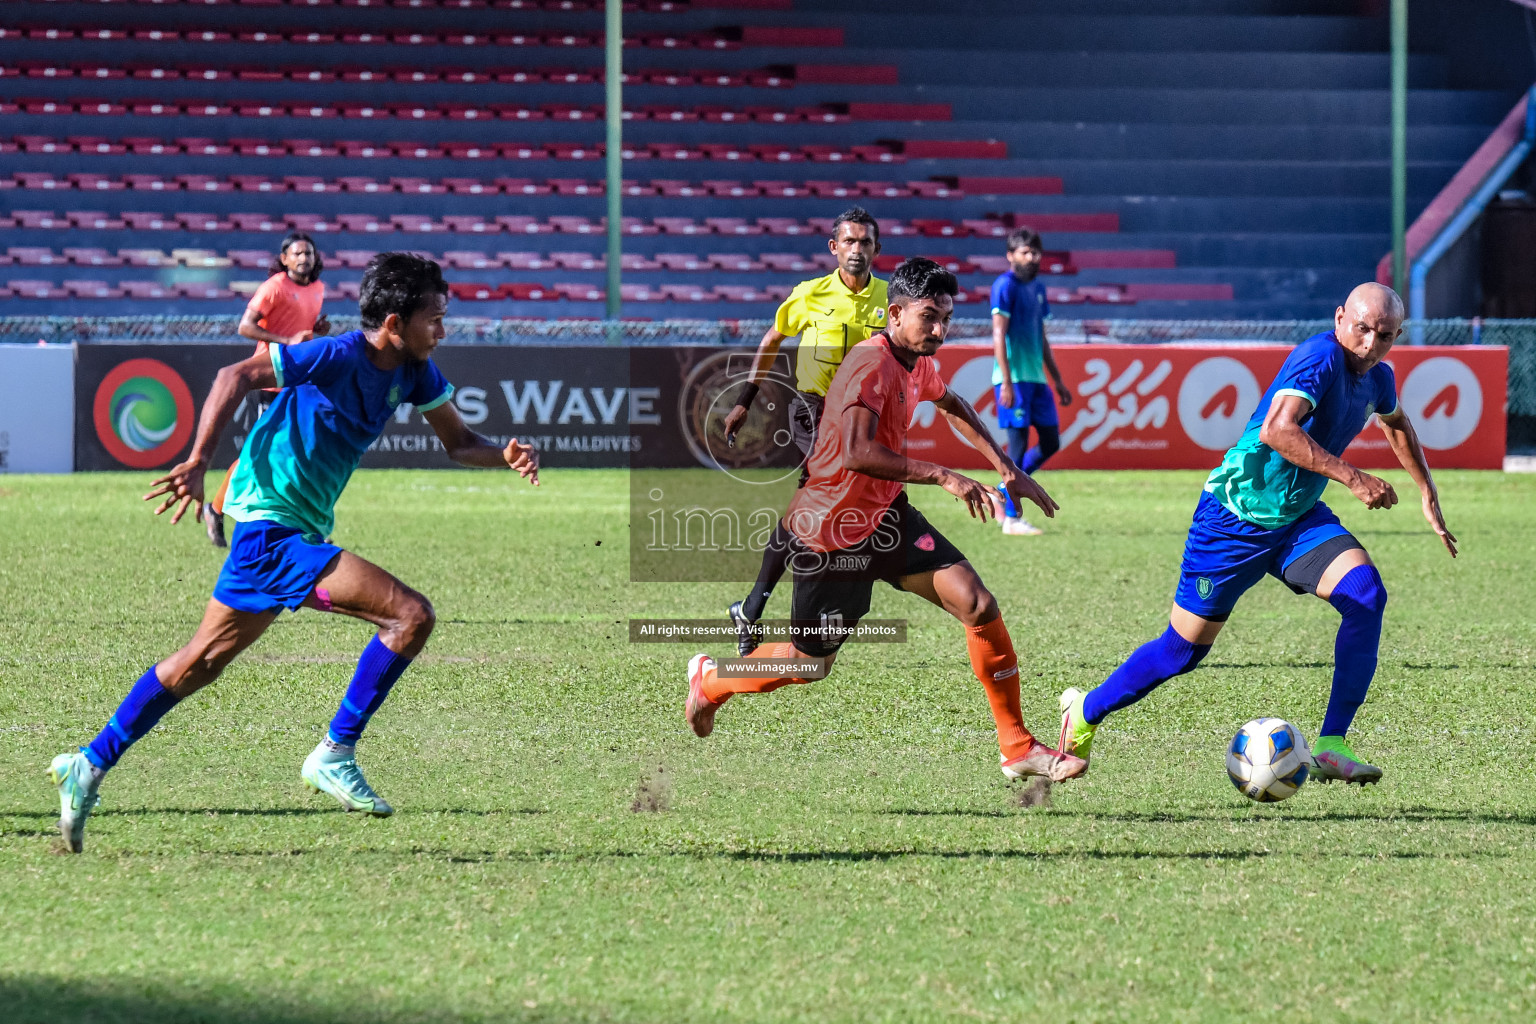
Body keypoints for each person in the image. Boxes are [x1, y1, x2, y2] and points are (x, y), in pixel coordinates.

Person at [48, 253, 540, 853]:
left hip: (290, 527)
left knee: (201, 661)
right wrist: (200, 461)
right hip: (270, 528)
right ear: (392, 321)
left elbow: (460, 442)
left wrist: (505, 455)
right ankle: (335, 753)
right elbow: (236, 376)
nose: (443, 329)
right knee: (410, 616)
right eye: (434, 318)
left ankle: (88, 764)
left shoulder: (415, 372)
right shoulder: (336, 355)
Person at [686, 258, 1086, 784]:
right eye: (929, 318)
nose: (940, 331)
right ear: (895, 314)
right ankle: (711, 682)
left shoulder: (916, 359)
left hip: (887, 518)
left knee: (978, 603)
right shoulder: (869, 365)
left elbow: (953, 402)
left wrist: (1007, 468)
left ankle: (1017, 746)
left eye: (946, 318)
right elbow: (855, 452)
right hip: (831, 533)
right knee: (811, 664)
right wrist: (945, 476)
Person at [1057, 283, 1456, 785]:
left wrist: (1427, 491)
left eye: (1385, 335)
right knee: (1182, 652)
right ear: (1339, 318)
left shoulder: (1379, 376)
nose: (1370, 343)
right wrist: (1355, 478)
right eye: (1362, 328)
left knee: (1365, 595)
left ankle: (1332, 743)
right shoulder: (1320, 358)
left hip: (1296, 520)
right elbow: (1277, 431)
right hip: (1233, 519)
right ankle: (1085, 712)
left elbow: (1396, 422)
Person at [721, 207, 889, 656]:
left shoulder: (891, 302)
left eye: (865, 242)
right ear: (834, 248)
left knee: (819, 508)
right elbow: (771, 340)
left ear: (877, 249)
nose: (857, 250)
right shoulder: (809, 295)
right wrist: (745, 400)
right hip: (813, 413)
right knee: (821, 496)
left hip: (863, 418)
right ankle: (790, 607)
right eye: (849, 242)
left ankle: (755, 606)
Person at [202, 231, 330, 548]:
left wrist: (315, 332)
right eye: (297, 253)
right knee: (255, 455)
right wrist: (288, 342)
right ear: (284, 259)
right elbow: (246, 327)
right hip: (271, 379)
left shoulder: (318, 288)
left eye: (308, 253)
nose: (304, 258)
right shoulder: (273, 288)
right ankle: (216, 508)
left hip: (301, 379)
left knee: (306, 452)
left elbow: (301, 333)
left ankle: (305, 527)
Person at [990, 227, 1072, 536]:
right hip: (1014, 379)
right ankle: (1011, 518)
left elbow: (1042, 337)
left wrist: (1059, 381)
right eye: (1025, 252)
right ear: (1011, 256)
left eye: (1035, 252)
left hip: (1037, 380)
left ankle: (1003, 487)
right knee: (1019, 446)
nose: (1031, 257)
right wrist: (1007, 383)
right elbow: (998, 333)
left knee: (1051, 442)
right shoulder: (1004, 286)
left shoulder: (1038, 288)